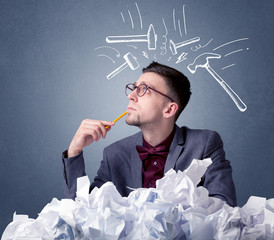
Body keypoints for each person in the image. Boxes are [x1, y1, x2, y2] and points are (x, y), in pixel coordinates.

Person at [62, 62, 237, 207]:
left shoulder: (204, 144)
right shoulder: (114, 153)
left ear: (169, 109)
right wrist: (74, 151)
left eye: (144, 89)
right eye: (133, 88)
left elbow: (224, 207)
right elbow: (83, 211)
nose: (131, 95)